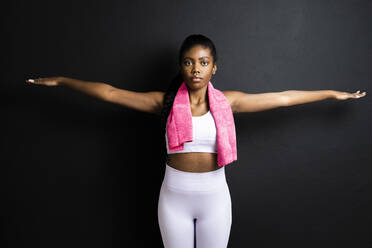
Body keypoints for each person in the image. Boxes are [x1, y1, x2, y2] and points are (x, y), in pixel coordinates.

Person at [25, 34, 366, 248]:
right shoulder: (163, 102)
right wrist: (63, 81)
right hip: (173, 199)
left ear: (214, 67)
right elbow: (111, 93)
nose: (196, 69)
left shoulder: (228, 102)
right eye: (189, 62)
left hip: (215, 200)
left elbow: (283, 97)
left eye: (203, 62)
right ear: (181, 66)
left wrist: (329, 94)